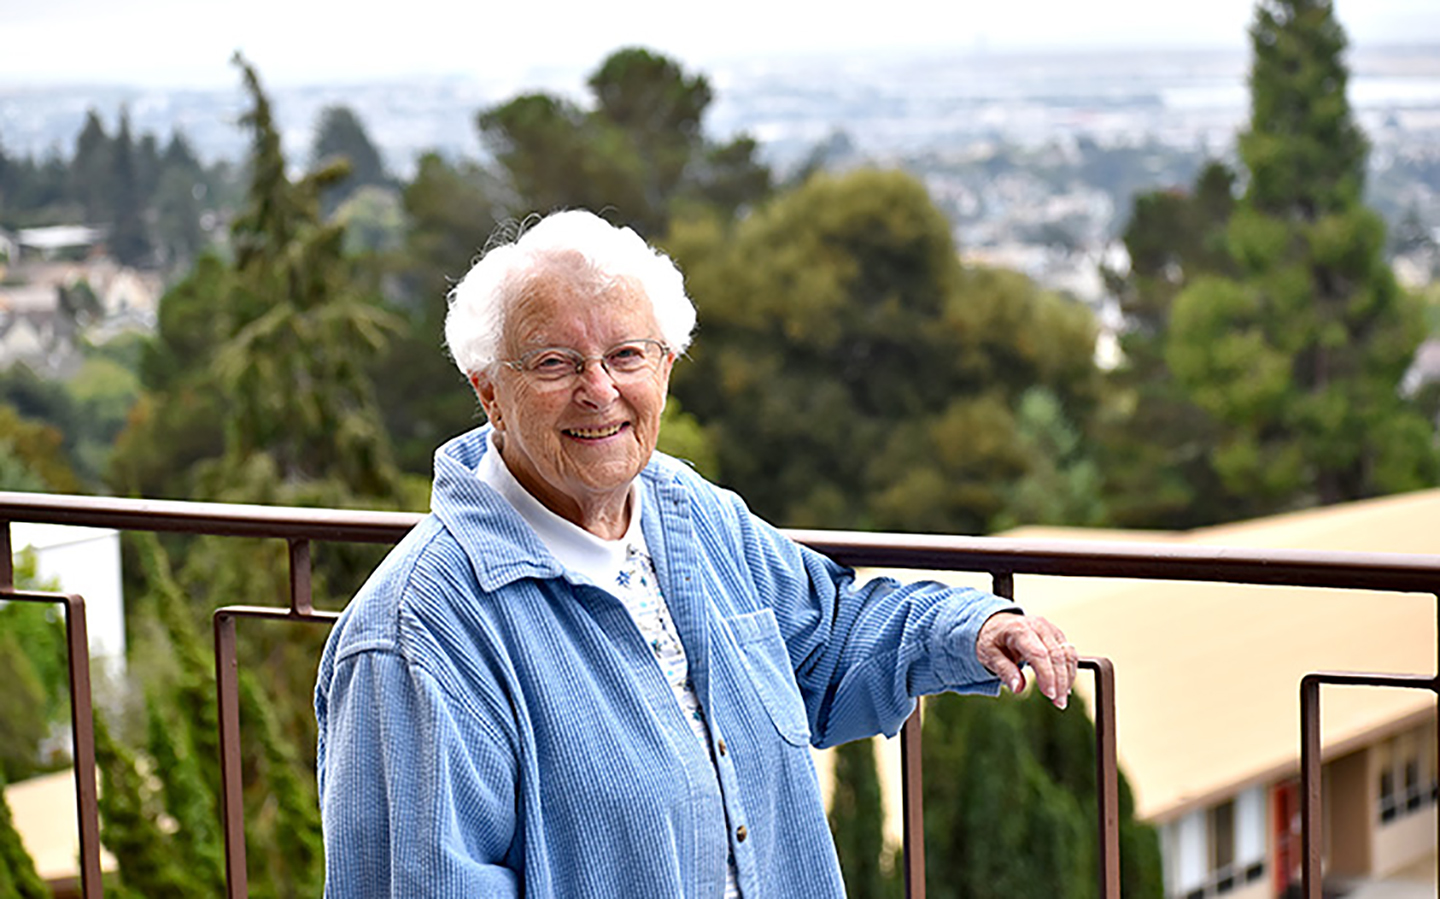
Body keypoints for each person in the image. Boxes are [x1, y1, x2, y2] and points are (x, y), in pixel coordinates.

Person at [314, 209, 1079, 898]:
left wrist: (971, 629)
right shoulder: (418, 634)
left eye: (626, 355)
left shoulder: (689, 514)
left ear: (667, 366)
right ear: (488, 392)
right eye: (554, 363)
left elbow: (828, 638)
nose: (599, 389)